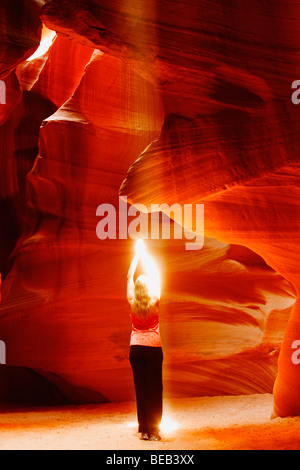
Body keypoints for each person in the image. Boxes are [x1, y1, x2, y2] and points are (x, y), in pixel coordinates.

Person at [127, 239, 163, 441]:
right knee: (155, 388)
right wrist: (146, 255)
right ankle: (155, 430)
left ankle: (144, 431)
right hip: (153, 348)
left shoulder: (132, 302)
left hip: (136, 349)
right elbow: (156, 275)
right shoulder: (155, 299)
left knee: (141, 389)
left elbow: (128, 276)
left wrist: (137, 255)